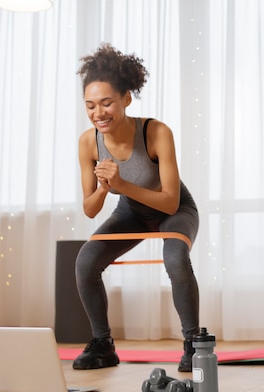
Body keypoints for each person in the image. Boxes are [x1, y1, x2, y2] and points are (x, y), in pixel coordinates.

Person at [72, 43, 200, 372]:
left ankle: (192, 343)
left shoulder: (156, 132)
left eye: (106, 103)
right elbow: (89, 209)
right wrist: (104, 189)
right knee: (86, 262)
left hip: (174, 210)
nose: (98, 113)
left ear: (126, 98)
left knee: (174, 257)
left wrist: (123, 185)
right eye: (90, 106)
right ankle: (103, 345)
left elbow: (170, 200)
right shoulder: (88, 142)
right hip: (132, 212)